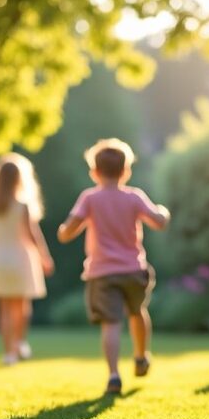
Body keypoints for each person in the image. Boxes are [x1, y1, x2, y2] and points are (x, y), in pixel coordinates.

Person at [58, 138, 170, 394]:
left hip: (102, 272)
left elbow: (66, 232)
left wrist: (66, 229)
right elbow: (158, 222)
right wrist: (164, 211)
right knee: (137, 311)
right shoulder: (134, 197)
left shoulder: (89, 198)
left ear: (94, 172)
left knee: (111, 323)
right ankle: (141, 357)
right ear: (126, 171)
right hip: (133, 270)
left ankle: (114, 375)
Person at [0, 153, 54, 365]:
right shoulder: (22, 205)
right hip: (21, 258)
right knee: (22, 306)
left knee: (4, 309)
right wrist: (45, 257)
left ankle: (9, 353)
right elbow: (33, 234)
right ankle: (19, 343)